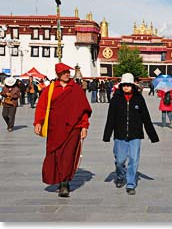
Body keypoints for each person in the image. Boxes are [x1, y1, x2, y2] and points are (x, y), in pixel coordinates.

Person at [34, 63, 92, 197]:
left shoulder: (76, 89)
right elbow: (41, 107)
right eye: (64, 72)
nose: (67, 74)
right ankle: (57, 179)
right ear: (58, 74)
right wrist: (38, 122)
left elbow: (83, 110)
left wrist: (84, 126)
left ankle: (64, 183)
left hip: (73, 129)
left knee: (68, 156)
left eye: (68, 72)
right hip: (54, 128)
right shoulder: (50, 89)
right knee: (54, 155)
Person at [103, 73, 159, 195]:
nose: (126, 87)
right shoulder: (115, 99)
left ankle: (130, 183)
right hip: (120, 134)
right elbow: (110, 118)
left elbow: (146, 117)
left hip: (135, 135)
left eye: (129, 85)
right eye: (124, 85)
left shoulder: (139, 99)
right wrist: (107, 135)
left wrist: (152, 135)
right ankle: (120, 175)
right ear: (121, 86)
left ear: (133, 86)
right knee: (120, 160)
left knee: (134, 159)